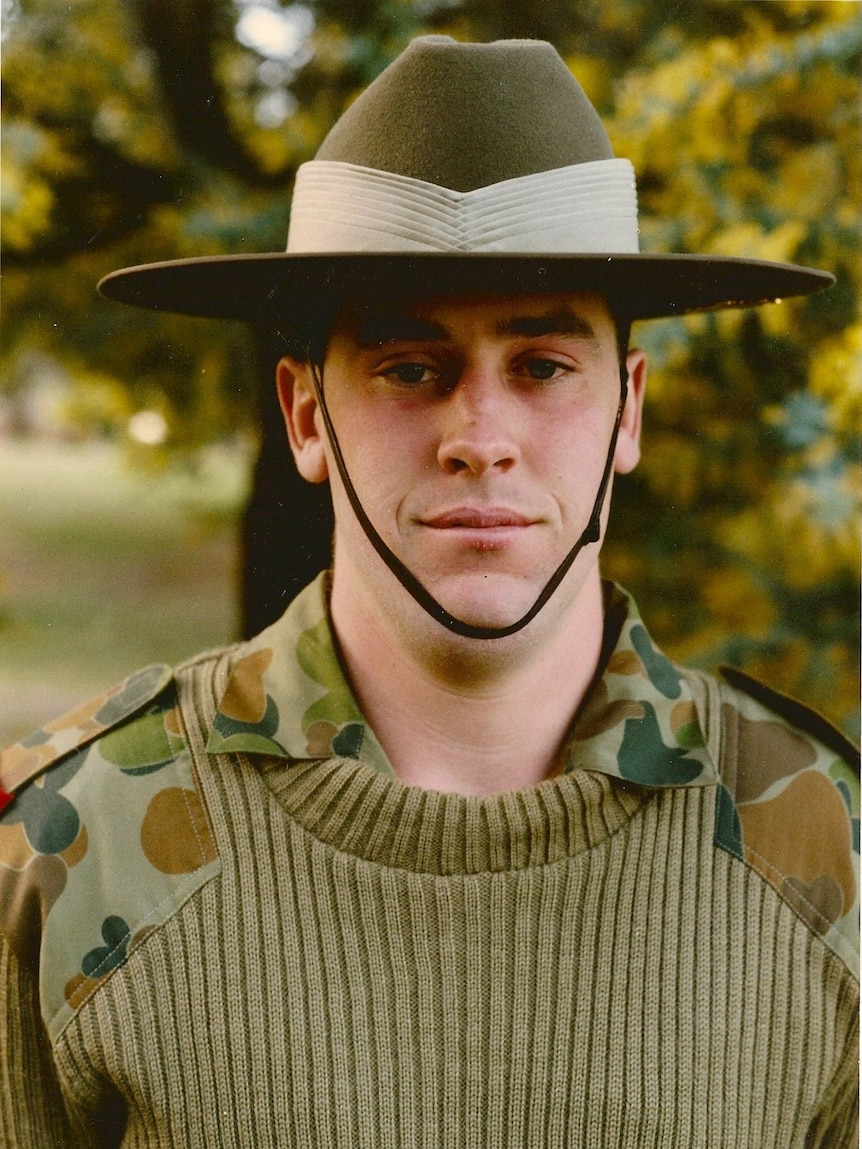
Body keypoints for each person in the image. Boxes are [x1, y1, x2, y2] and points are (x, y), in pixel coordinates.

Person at [0, 36, 857, 1148]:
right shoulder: (71, 842)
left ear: (628, 411)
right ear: (307, 415)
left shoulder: (821, 846)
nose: (479, 439)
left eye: (542, 366)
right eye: (411, 369)